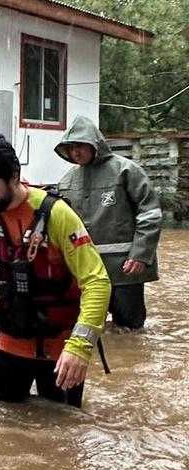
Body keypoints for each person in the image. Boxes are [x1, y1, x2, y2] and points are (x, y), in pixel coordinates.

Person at [0, 136, 111, 408]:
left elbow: (97, 281)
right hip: (3, 344)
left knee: (64, 427)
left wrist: (80, 347)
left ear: (14, 177)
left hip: (59, 350)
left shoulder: (57, 215)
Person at [55, 116, 162, 331]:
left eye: (80, 146)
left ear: (94, 144)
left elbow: (150, 213)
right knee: (92, 327)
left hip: (126, 269)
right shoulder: (67, 180)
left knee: (130, 330)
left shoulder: (126, 170)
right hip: (87, 272)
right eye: (70, 148)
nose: (75, 152)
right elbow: (62, 224)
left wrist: (140, 254)